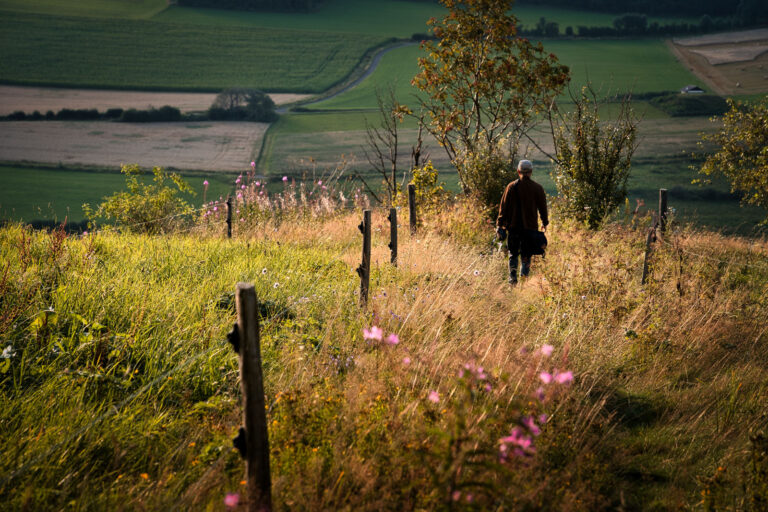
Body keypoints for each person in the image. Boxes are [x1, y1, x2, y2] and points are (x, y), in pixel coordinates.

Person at [496, 159, 549, 284]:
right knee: (526, 256)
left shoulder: (511, 187)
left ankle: (512, 281)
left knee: (513, 254)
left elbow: (503, 208)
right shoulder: (537, 188)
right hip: (530, 228)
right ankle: (524, 283)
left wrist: (500, 224)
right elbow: (543, 208)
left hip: (513, 227)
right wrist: (544, 222)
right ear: (531, 172)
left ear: (518, 171)